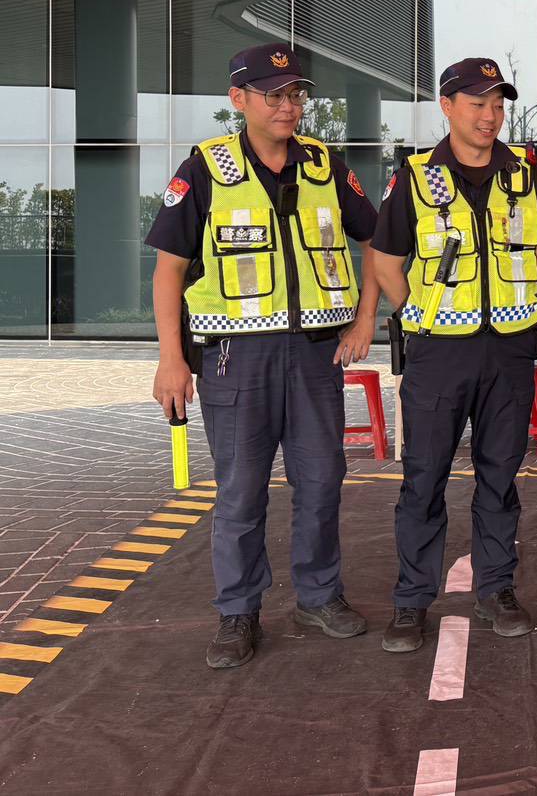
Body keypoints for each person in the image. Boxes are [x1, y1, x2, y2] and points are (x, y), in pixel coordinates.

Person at [147, 44, 381, 670]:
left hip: (314, 357)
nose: (287, 105)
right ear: (239, 99)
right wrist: (172, 359)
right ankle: (237, 612)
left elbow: (379, 242)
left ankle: (319, 596)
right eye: (272, 94)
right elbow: (168, 271)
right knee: (241, 492)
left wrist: (365, 320)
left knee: (322, 482)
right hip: (235, 360)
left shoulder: (326, 166)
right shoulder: (203, 169)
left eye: (295, 94)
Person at [373, 58, 537, 653]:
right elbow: (385, 261)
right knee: (423, 478)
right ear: (447, 105)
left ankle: (495, 589)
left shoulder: (528, 177)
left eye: (499, 104)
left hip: (508, 351)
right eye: (478, 103)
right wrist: (425, 314)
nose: (491, 115)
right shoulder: (416, 177)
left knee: (500, 477)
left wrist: (514, 300)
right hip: (438, 355)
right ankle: (411, 601)